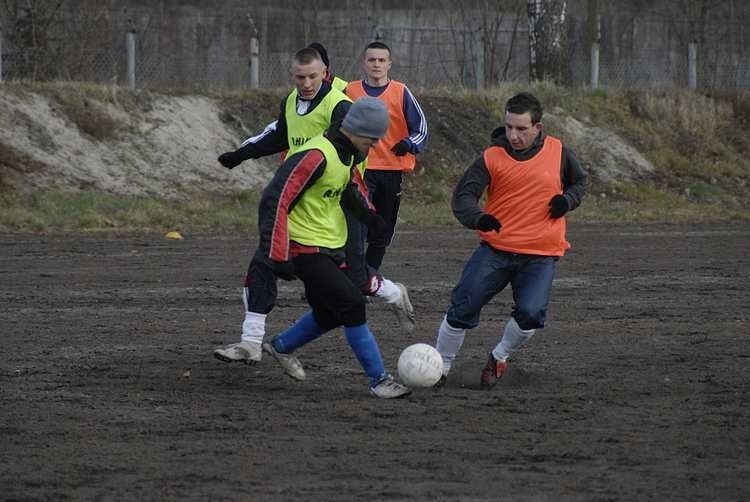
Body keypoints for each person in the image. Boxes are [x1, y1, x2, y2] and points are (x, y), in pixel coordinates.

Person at [213, 47, 412, 366]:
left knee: (355, 279)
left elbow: (354, 155)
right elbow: (278, 135)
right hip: (298, 201)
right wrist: (241, 155)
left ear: (326, 74)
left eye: (312, 76)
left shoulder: (341, 107)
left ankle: (390, 291)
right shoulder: (291, 102)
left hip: (340, 202)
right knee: (263, 263)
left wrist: (363, 211)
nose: (305, 83)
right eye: (299, 77)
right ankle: (251, 342)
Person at [433, 92, 588, 389]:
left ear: (538, 128)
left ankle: (499, 356)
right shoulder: (491, 157)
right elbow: (463, 197)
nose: (513, 135)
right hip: (496, 249)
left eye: (521, 128)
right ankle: (441, 365)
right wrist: (478, 218)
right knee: (462, 308)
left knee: (531, 314)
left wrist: (566, 200)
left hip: (541, 254)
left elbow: (580, 182)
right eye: (509, 127)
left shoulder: (559, 153)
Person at [258, 97, 411, 398]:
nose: (374, 147)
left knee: (330, 313)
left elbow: (346, 189)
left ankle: (280, 347)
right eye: (373, 140)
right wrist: (277, 254)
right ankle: (379, 380)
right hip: (303, 248)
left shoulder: (345, 155)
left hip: (328, 246)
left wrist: (370, 217)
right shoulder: (315, 155)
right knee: (353, 303)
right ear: (357, 132)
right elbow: (274, 199)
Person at [345, 41, 428, 271]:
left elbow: (421, 128)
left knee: (382, 229)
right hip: (360, 171)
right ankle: (352, 276)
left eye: (381, 60)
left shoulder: (401, 91)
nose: (376, 64)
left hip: (391, 171)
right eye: (371, 59)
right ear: (364, 63)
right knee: (357, 226)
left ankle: (369, 277)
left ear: (389, 64)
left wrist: (409, 143)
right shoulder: (350, 91)